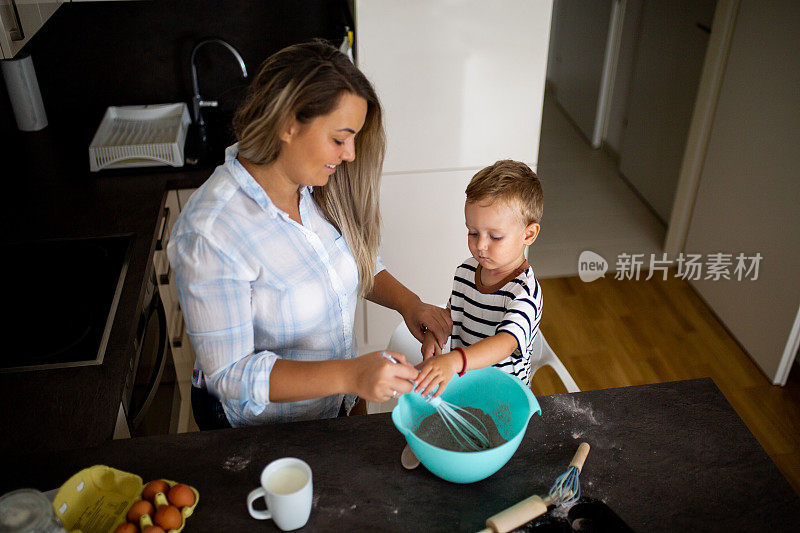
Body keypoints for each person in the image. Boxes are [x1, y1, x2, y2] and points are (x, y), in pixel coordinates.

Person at [167, 40, 451, 429]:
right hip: (261, 433)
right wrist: (351, 374)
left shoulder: (312, 187)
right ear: (288, 124)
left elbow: (345, 262)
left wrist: (409, 304)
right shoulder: (211, 232)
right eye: (339, 139)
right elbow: (230, 373)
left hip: (332, 408)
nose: (350, 154)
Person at [414, 159, 543, 397]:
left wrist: (454, 361)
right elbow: (451, 317)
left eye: (495, 237)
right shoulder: (465, 272)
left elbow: (506, 342)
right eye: (473, 233)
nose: (480, 245)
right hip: (463, 386)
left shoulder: (524, 292)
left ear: (528, 234)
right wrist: (434, 336)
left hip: (503, 397)